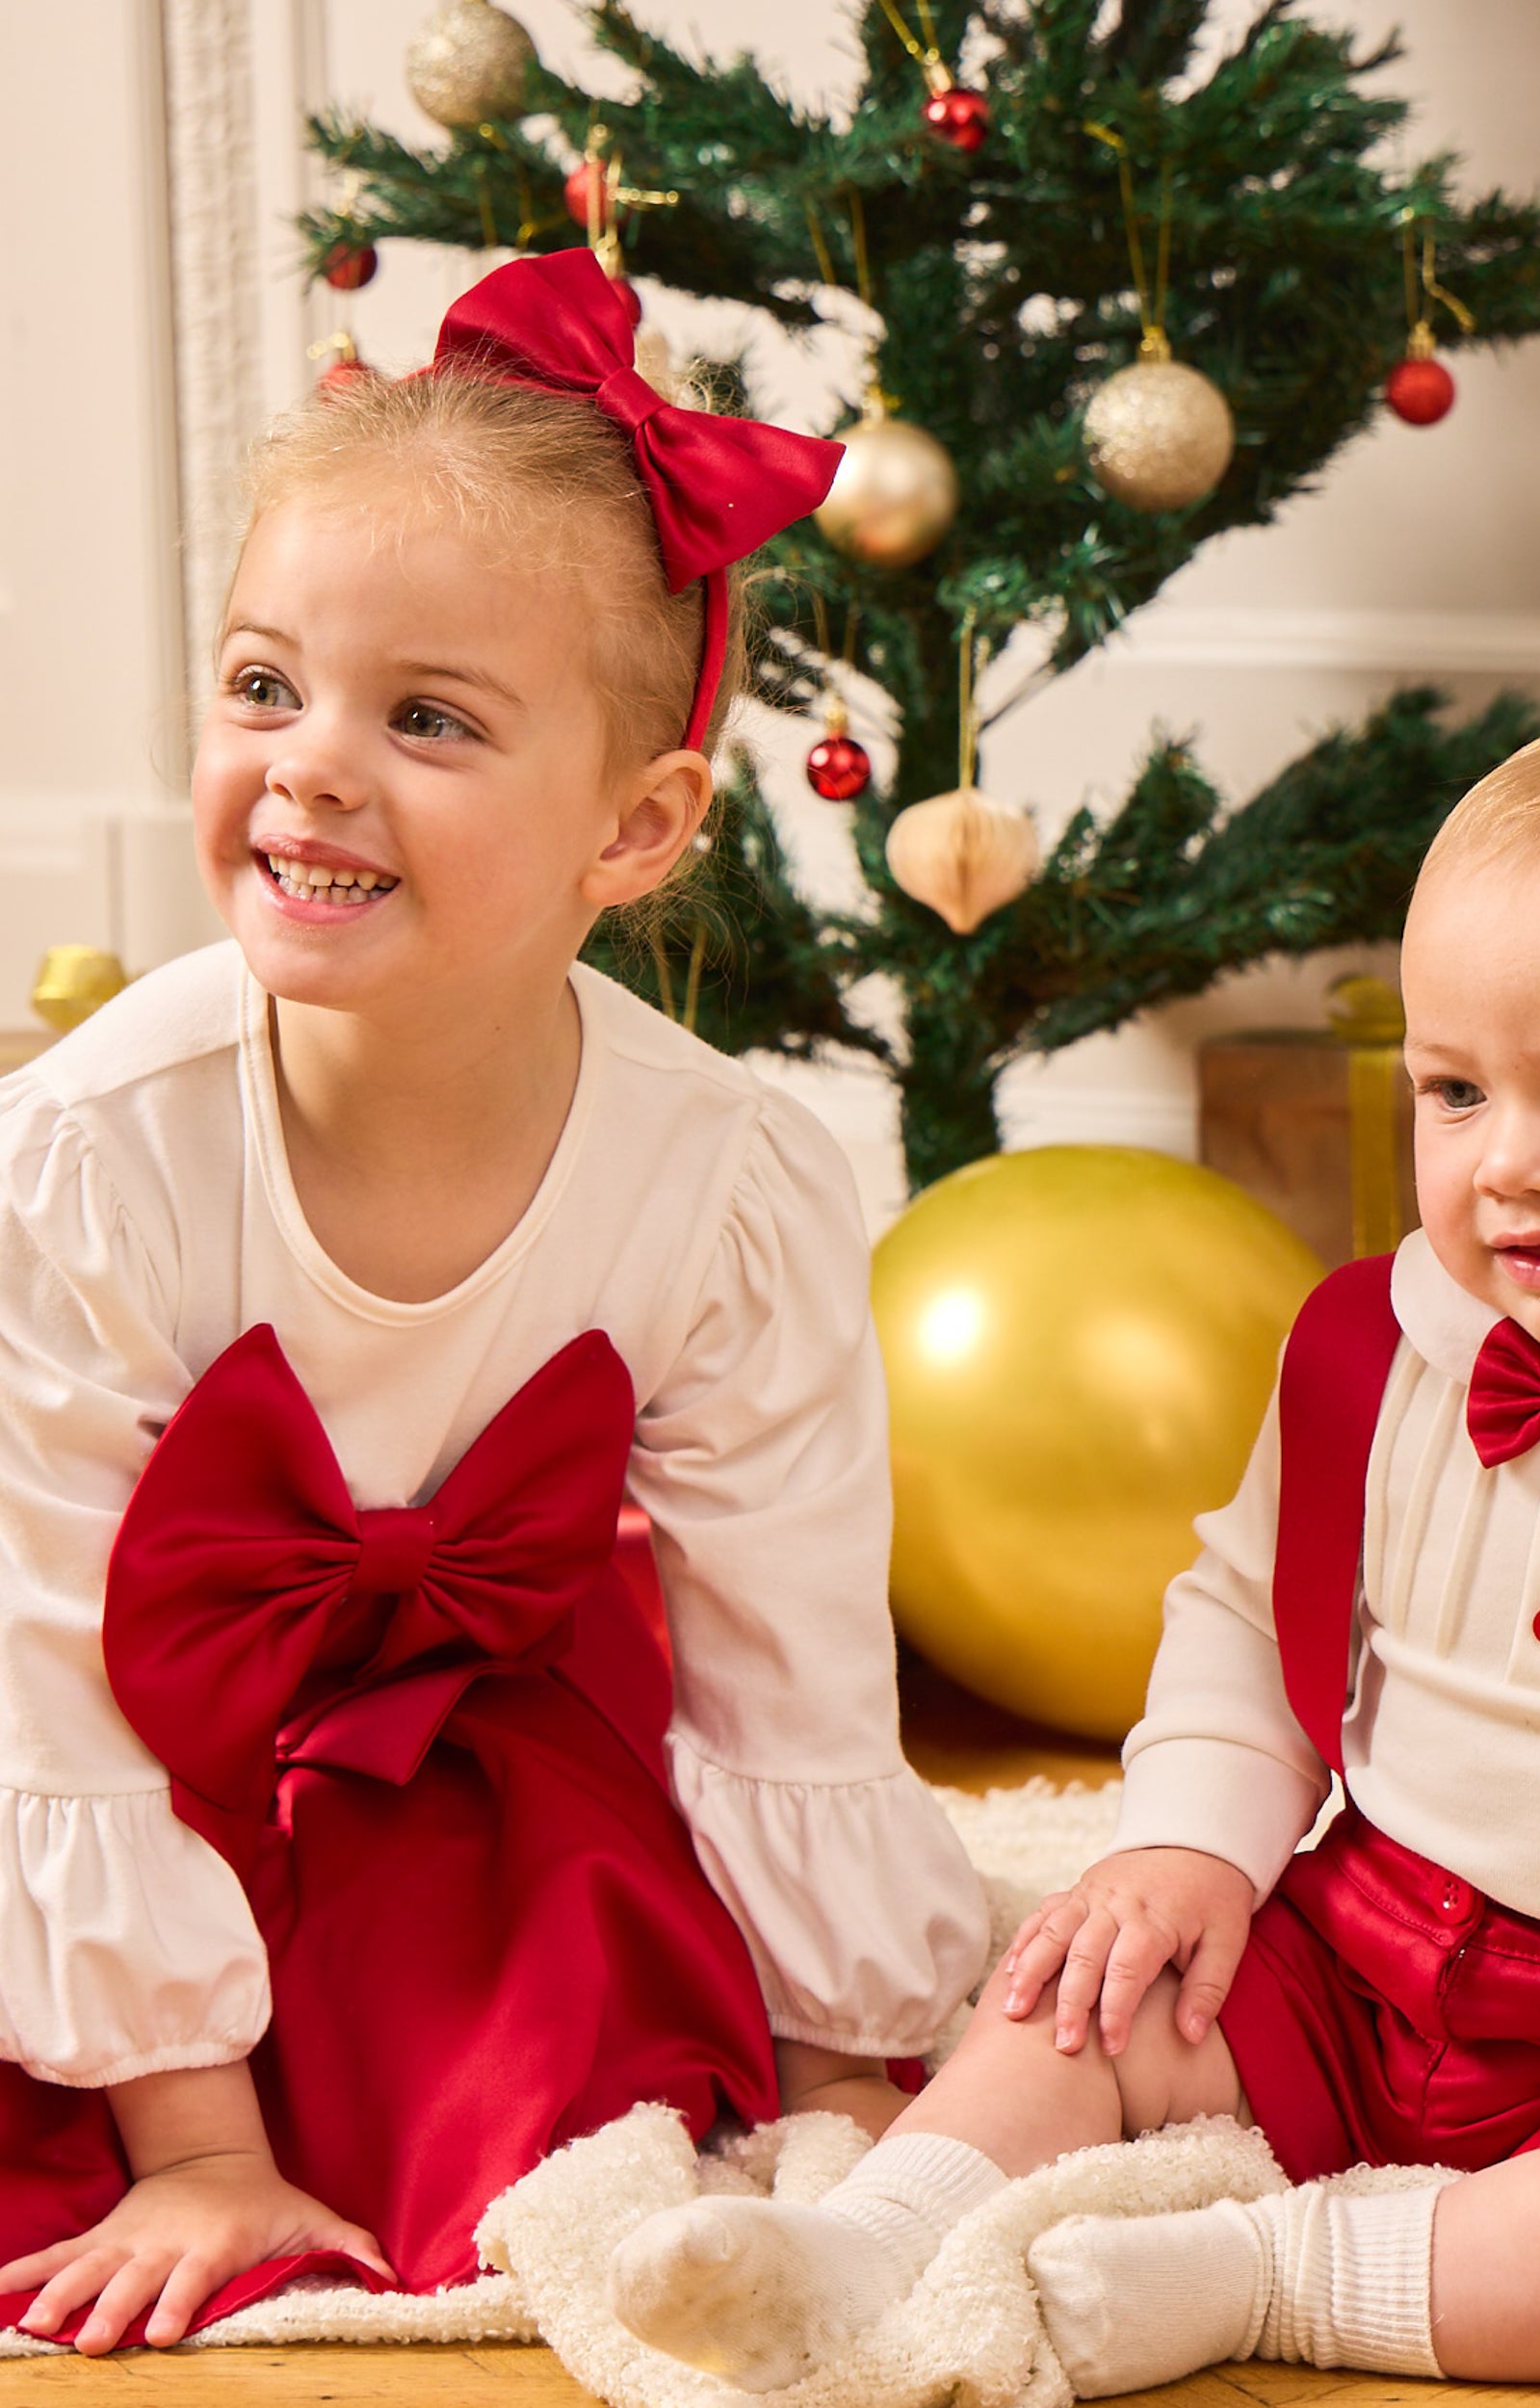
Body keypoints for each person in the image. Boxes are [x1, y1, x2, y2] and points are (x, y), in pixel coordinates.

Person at [613, 702, 1540, 2394]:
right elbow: (1247, 1625)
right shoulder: (1375, 1353)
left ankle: (1261, 2280)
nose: (1508, 1164)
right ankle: (872, 2237)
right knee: (1083, 1989)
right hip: (1351, 1956)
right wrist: (1188, 1851)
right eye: (1456, 1090)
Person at [0, 248, 987, 2359]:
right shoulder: (92, 1153)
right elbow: (51, 1667)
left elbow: (790, 1658)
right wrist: (191, 2139)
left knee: (563, 2032)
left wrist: (844, 2070)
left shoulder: (724, 1187)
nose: (308, 769)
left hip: (447, 1733)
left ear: (633, 827)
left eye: (427, 719)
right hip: (105, 1709)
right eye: (263, 686)